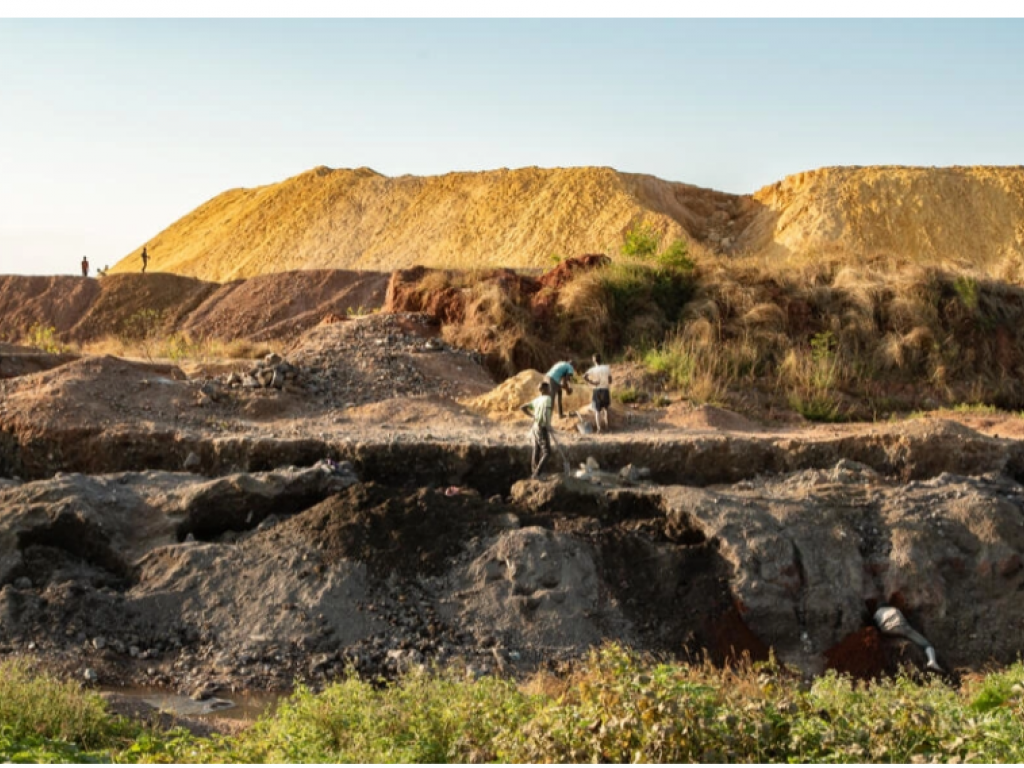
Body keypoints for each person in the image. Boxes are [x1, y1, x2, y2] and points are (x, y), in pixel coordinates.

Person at [874, 605, 943, 672]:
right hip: (901, 627)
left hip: (887, 630)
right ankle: (932, 661)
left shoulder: (876, 614)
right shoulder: (894, 609)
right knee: (926, 644)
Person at [521, 381, 554, 479]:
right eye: (548, 389)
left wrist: (532, 416)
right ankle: (537, 473)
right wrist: (548, 425)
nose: (550, 390)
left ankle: (534, 472)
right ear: (544, 390)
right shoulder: (548, 399)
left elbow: (522, 407)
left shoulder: (537, 400)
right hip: (541, 426)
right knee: (547, 452)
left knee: (536, 448)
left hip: (534, 427)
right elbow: (545, 412)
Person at [583, 353, 612, 432]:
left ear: (594, 360)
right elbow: (610, 381)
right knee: (606, 410)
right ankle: (607, 427)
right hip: (605, 389)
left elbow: (584, 376)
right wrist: (605, 382)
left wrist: (592, 382)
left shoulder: (592, 369)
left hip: (597, 390)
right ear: (600, 359)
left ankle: (599, 429)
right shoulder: (607, 368)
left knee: (597, 410)